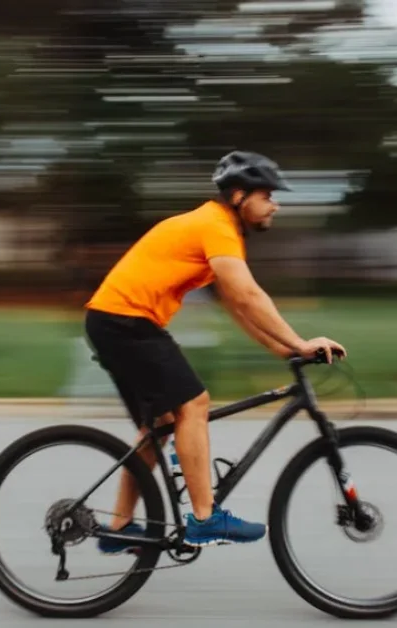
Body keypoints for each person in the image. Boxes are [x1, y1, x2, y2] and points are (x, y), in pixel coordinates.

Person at [84, 150, 346, 551]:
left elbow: (237, 305)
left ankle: (118, 528)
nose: (275, 204)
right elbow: (248, 294)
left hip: (117, 322)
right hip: (126, 323)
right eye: (268, 195)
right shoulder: (217, 226)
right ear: (239, 196)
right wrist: (299, 342)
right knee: (195, 404)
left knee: (160, 425)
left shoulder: (217, 229)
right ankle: (204, 519)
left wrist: (284, 352)